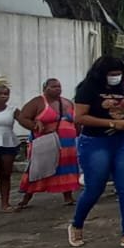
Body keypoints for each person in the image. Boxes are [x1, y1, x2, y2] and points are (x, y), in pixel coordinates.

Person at [69, 57, 124, 248]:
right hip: (96, 143)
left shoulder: (122, 88)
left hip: (122, 141)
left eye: (118, 74)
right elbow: (79, 117)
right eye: (111, 74)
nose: (115, 77)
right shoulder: (88, 88)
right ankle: (77, 224)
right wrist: (111, 124)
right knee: (95, 187)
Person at [17, 79, 81, 208]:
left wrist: (78, 133)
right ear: (45, 88)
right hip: (45, 142)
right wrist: (34, 125)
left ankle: (68, 197)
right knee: (38, 169)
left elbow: (77, 120)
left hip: (67, 143)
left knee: (66, 169)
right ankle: (26, 198)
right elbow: (23, 118)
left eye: (59, 86)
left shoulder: (67, 102)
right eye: (53, 86)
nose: (57, 88)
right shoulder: (37, 102)